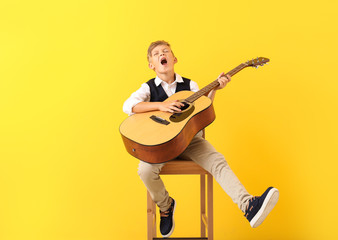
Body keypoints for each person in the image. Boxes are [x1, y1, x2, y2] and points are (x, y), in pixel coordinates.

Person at [122, 40, 279, 238]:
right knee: (144, 170)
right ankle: (165, 205)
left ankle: (248, 205)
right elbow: (129, 106)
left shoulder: (190, 86)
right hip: (159, 145)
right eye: (156, 53)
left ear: (174, 58)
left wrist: (214, 90)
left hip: (189, 141)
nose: (162, 54)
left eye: (166, 51)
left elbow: (202, 110)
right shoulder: (148, 88)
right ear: (151, 64)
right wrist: (160, 106)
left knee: (218, 161)